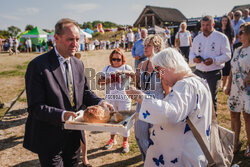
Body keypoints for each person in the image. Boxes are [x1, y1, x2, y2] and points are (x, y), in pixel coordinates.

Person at [23, 18, 114, 167]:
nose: (75, 44)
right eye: (70, 39)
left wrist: (100, 102)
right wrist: (63, 115)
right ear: (56, 38)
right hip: (49, 137)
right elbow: (35, 107)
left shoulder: (78, 63)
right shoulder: (38, 66)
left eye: (78, 39)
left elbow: (84, 92)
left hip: (74, 136)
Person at [126, 48, 213, 166]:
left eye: (159, 70)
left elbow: (171, 114)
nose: (158, 76)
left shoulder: (185, 85)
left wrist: (141, 97)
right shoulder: (195, 82)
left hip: (181, 156)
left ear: (171, 64)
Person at [134, 35, 170, 161]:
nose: (145, 48)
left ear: (157, 47)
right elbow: (138, 86)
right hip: (142, 103)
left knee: (156, 138)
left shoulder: (162, 66)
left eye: (149, 45)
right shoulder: (142, 65)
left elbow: (167, 91)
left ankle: (157, 161)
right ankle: (147, 160)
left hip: (157, 104)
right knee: (139, 135)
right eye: (144, 45)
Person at [189, 15, 231, 111]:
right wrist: (195, 59)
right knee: (198, 99)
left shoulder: (221, 37)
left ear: (213, 24)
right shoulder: (197, 38)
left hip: (214, 73)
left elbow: (228, 55)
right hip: (199, 72)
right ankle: (200, 122)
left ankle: (212, 124)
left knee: (211, 99)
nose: (205, 27)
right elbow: (191, 55)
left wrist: (213, 60)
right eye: (203, 25)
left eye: (208, 25)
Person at [98, 48, 134, 153]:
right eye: (114, 59)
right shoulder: (107, 68)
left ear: (123, 59)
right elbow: (99, 82)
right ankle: (112, 139)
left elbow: (134, 75)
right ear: (111, 59)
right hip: (110, 98)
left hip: (124, 98)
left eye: (118, 59)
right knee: (112, 119)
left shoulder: (127, 67)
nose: (116, 61)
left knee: (124, 120)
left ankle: (125, 141)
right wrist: (110, 80)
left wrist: (123, 72)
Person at [225, 22, 250, 158]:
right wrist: (228, 85)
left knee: (248, 118)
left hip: (248, 90)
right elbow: (232, 69)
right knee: (234, 115)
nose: (238, 35)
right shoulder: (237, 49)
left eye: (241, 32)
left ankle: (249, 145)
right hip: (235, 88)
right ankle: (236, 142)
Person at [217, 15, 235, 91]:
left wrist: (231, 43)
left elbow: (233, 37)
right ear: (221, 21)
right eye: (223, 20)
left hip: (228, 50)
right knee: (219, 67)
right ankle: (219, 84)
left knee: (227, 68)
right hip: (219, 51)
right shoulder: (218, 30)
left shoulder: (230, 29)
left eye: (226, 21)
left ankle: (224, 85)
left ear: (228, 22)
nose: (224, 22)